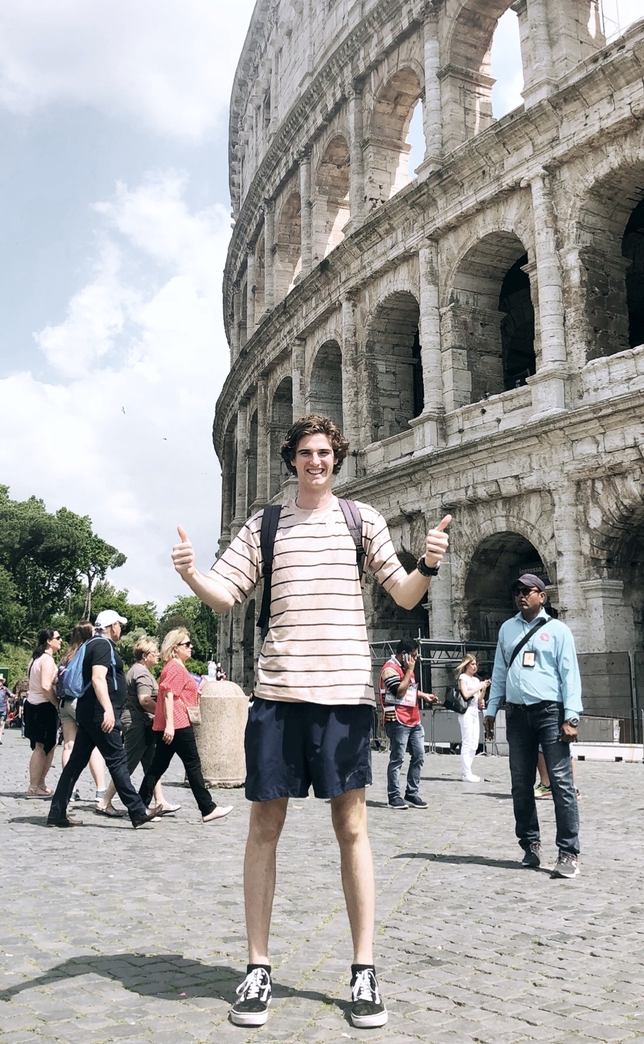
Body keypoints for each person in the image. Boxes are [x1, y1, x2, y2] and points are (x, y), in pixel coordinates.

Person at [172, 413, 451, 1029]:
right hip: (279, 695)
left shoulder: (363, 520)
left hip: (346, 697)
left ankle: (364, 970)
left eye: (325, 452)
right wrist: (192, 572)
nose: (315, 461)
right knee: (263, 826)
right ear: (290, 459)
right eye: (305, 453)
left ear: (337, 459)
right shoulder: (265, 524)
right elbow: (226, 595)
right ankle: (257, 967)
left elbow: (404, 594)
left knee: (352, 828)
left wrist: (428, 563)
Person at [484, 573, 582, 879]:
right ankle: (530, 845)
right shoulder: (507, 629)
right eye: (517, 591)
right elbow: (499, 672)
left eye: (528, 590)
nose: (521, 595)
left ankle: (568, 852)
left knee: (561, 783)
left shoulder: (558, 630)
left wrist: (572, 716)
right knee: (520, 784)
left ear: (543, 596)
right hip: (516, 714)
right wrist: (490, 709)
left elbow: (570, 675)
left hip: (550, 712)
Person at [47, 610, 162, 829]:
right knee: (118, 760)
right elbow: (98, 679)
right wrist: (108, 710)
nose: (121, 629)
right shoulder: (101, 645)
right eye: (120, 624)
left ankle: (57, 812)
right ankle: (137, 811)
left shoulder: (91, 644)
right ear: (112, 626)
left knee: (75, 765)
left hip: (91, 713)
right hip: (100, 715)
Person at [138, 628, 231, 822]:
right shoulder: (174, 667)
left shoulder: (176, 666)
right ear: (175, 647)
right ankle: (208, 808)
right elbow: (168, 694)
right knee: (193, 764)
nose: (191, 647)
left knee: (157, 766)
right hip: (178, 722)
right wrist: (171, 725)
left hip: (172, 722)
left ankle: (138, 808)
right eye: (187, 644)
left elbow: (175, 693)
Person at [96, 635, 178, 817]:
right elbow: (144, 700)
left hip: (140, 722)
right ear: (144, 655)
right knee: (127, 764)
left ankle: (160, 801)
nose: (158, 655)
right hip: (137, 724)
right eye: (154, 652)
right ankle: (105, 801)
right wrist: (163, 715)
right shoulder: (141, 673)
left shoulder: (138, 670)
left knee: (152, 764)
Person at [378, 639, 439, 808]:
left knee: (419, 755)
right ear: (404, 655)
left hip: (413, 719)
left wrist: (424, 695)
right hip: (397, 719)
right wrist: (409, 670)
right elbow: (399, 692)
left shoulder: (407, 669)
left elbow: (410, 690)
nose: (416, 658)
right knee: (397, 758)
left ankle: (412, 793)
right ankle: (394, 796)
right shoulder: (390, 669)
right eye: (413, 655)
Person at [57, 622, 107, 802]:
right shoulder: (88, 651)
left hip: (64, 702)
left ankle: (70, 790)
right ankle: (100, 790)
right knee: (93, 745)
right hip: (80, 701)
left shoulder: (66, 655)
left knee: (68, 746)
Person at [23, 629, 62, 798]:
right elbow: (46, 686)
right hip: (43, 707)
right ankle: (33, 786)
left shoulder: (35, 659)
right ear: (48, 641)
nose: (61, 641)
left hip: (33, 705)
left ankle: (40, 783)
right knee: (41, 748)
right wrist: (57, 704)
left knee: (47, 746)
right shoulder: (46, 660)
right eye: (58, 638)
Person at [455, 654, 490, 783]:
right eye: (472, 664)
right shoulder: (463, 678)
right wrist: (479, 686)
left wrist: (483, 690)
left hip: (475, 711)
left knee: (474, 742)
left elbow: (479, 698)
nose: (475, 667)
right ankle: (466, 772)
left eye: (476, 664)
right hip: (466, 712)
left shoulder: (476, 680)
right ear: (466, 665)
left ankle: (469, 769)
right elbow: (466, 694)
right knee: (467, 741)